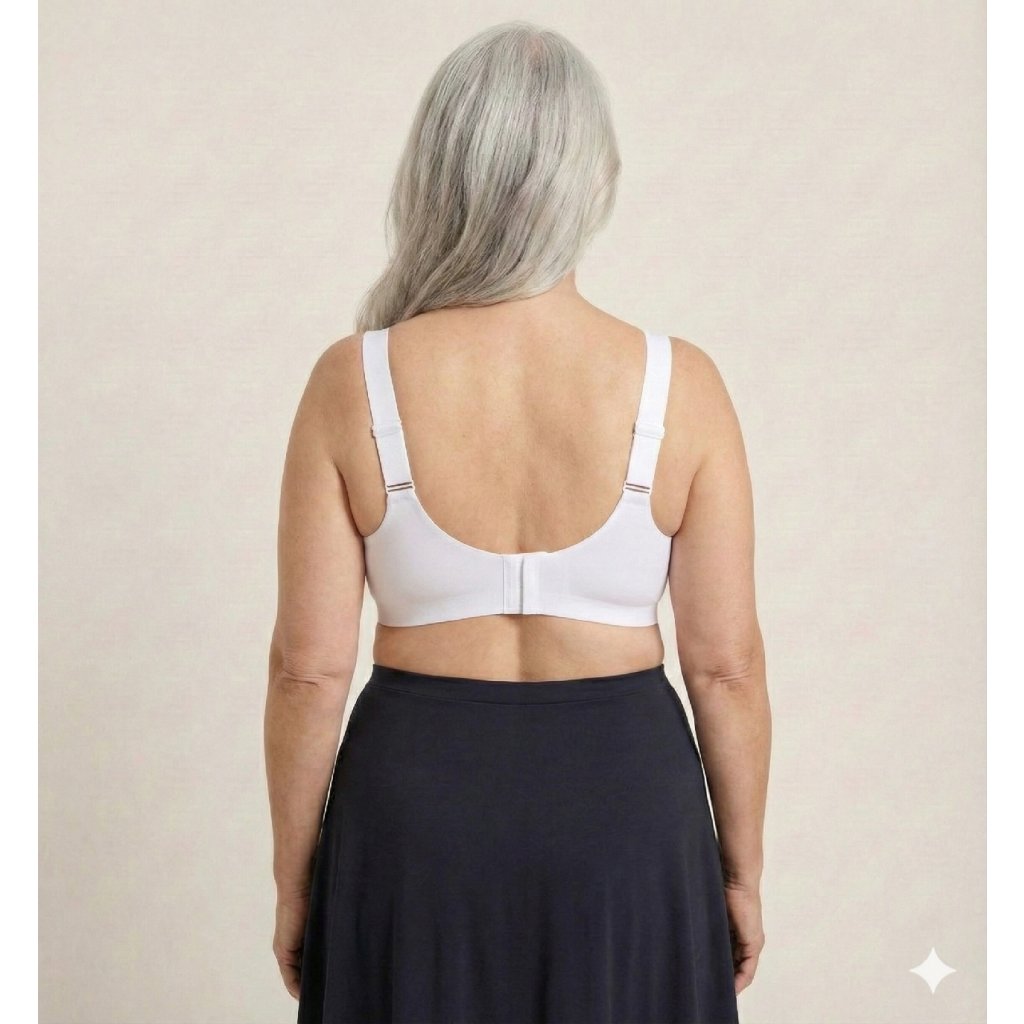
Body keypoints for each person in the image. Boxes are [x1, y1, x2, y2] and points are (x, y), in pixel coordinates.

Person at [264, 20, 770, 1024]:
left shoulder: (352, 381)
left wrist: (294, 878)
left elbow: (308, 673)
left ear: (437, 171)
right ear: (593, 179)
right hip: (626, 817)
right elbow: (726, 668)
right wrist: (742, 869)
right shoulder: (683, 386)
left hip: (414, 817)